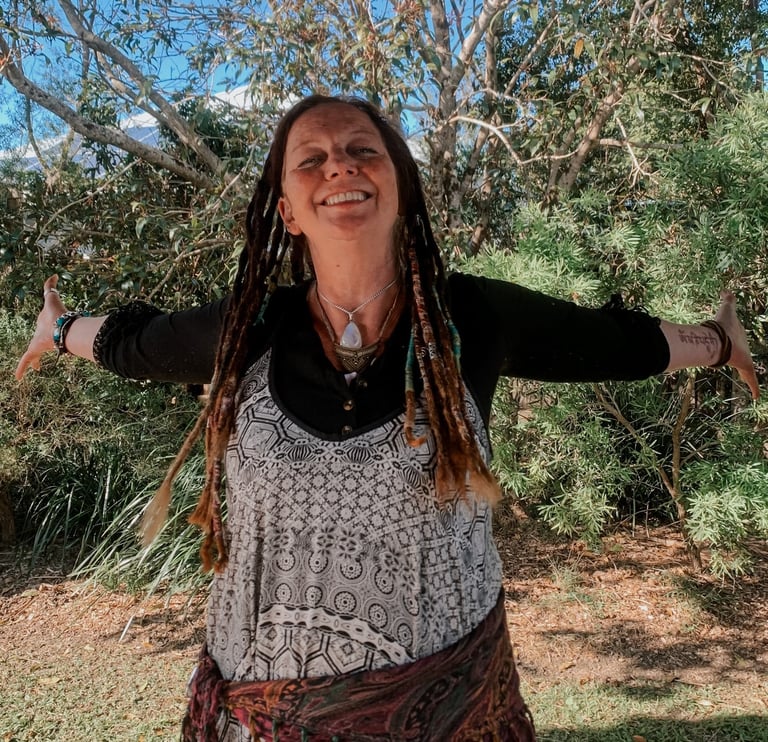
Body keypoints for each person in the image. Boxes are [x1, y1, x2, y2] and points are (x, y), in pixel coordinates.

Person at [15, 94, 759, 742]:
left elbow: (612, 343)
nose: (339, 166)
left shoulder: (471, 318)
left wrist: (720, 342)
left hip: (453, 709)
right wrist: (56, 329)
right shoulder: (251, 328)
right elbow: (138, 344)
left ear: (400, 187)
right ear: (287, 210)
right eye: (311, 159)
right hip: (261, 714)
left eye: (361, 151)